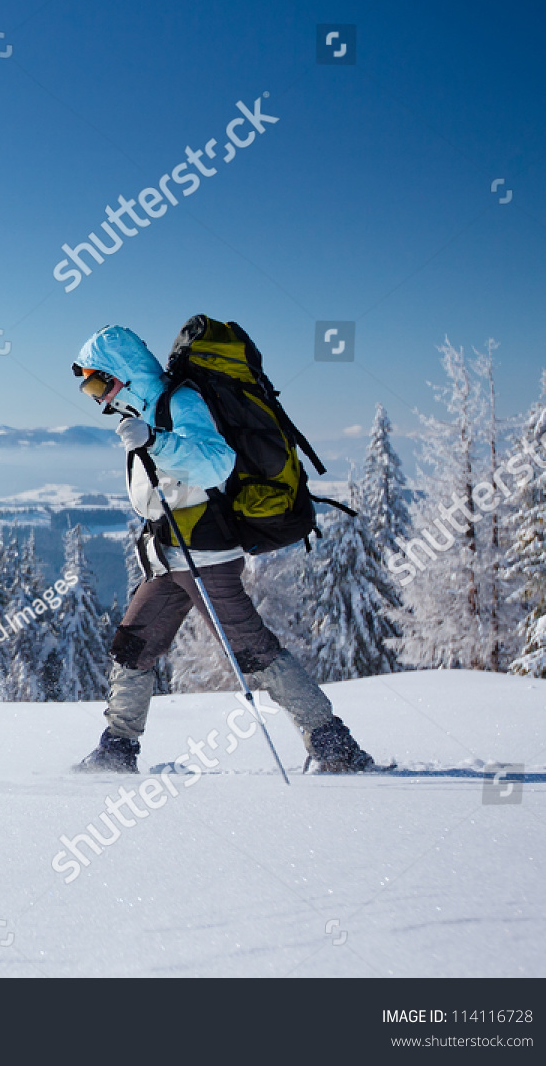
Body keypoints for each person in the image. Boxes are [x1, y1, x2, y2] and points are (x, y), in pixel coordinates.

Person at [71, 325, 376, 774]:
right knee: (132, 647)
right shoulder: (145, 410)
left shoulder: (180, 402)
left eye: (99, 383)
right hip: (169, 556)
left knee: (253, 651)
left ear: (124, 373)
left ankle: (335, 746)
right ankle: (117, 750)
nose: (97, 397)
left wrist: (156, 442)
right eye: (89, 389)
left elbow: (215, 461)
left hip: (204, 556)